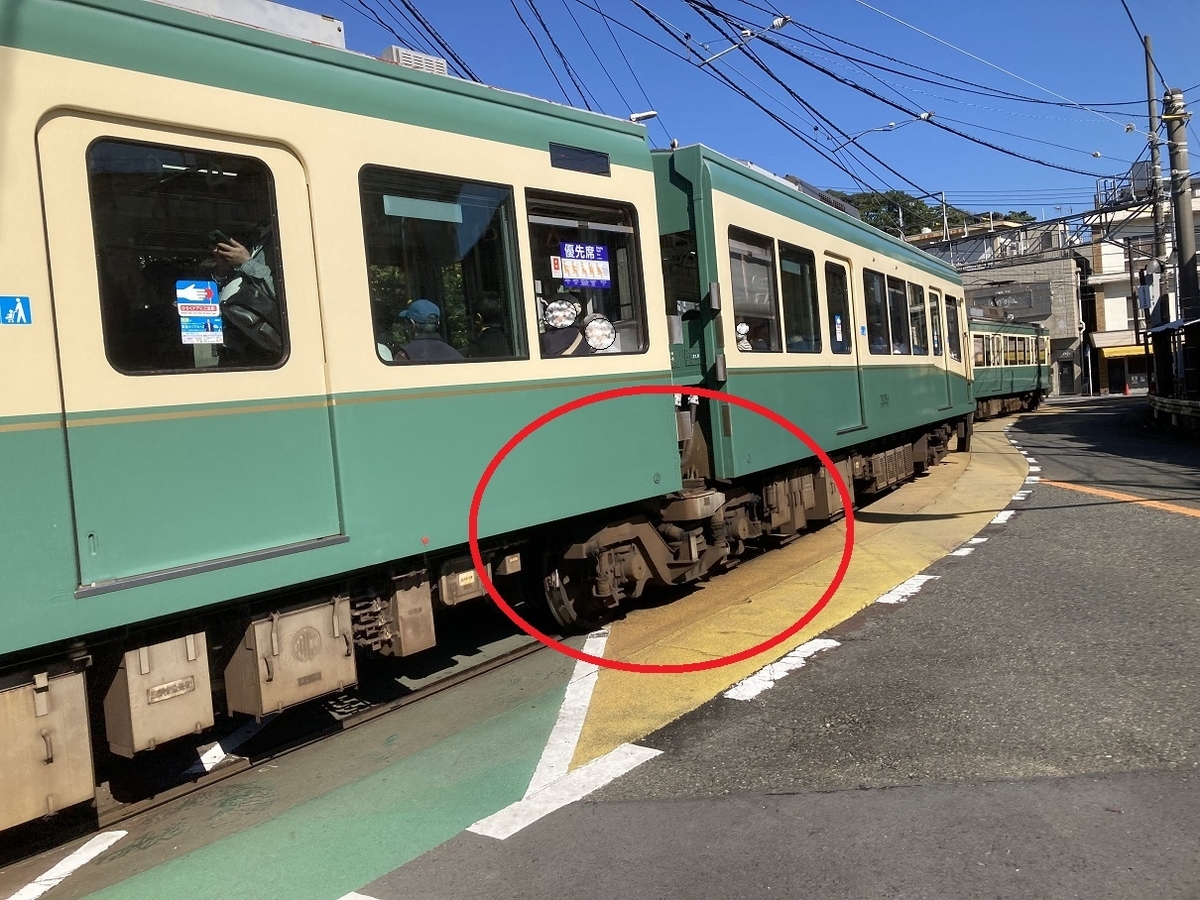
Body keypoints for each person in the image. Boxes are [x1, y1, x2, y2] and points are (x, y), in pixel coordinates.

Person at [395, 298, 463, 361]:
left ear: (413, 324)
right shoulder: (457, 356)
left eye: (407, 323)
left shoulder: (404, 355)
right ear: (438, 324)